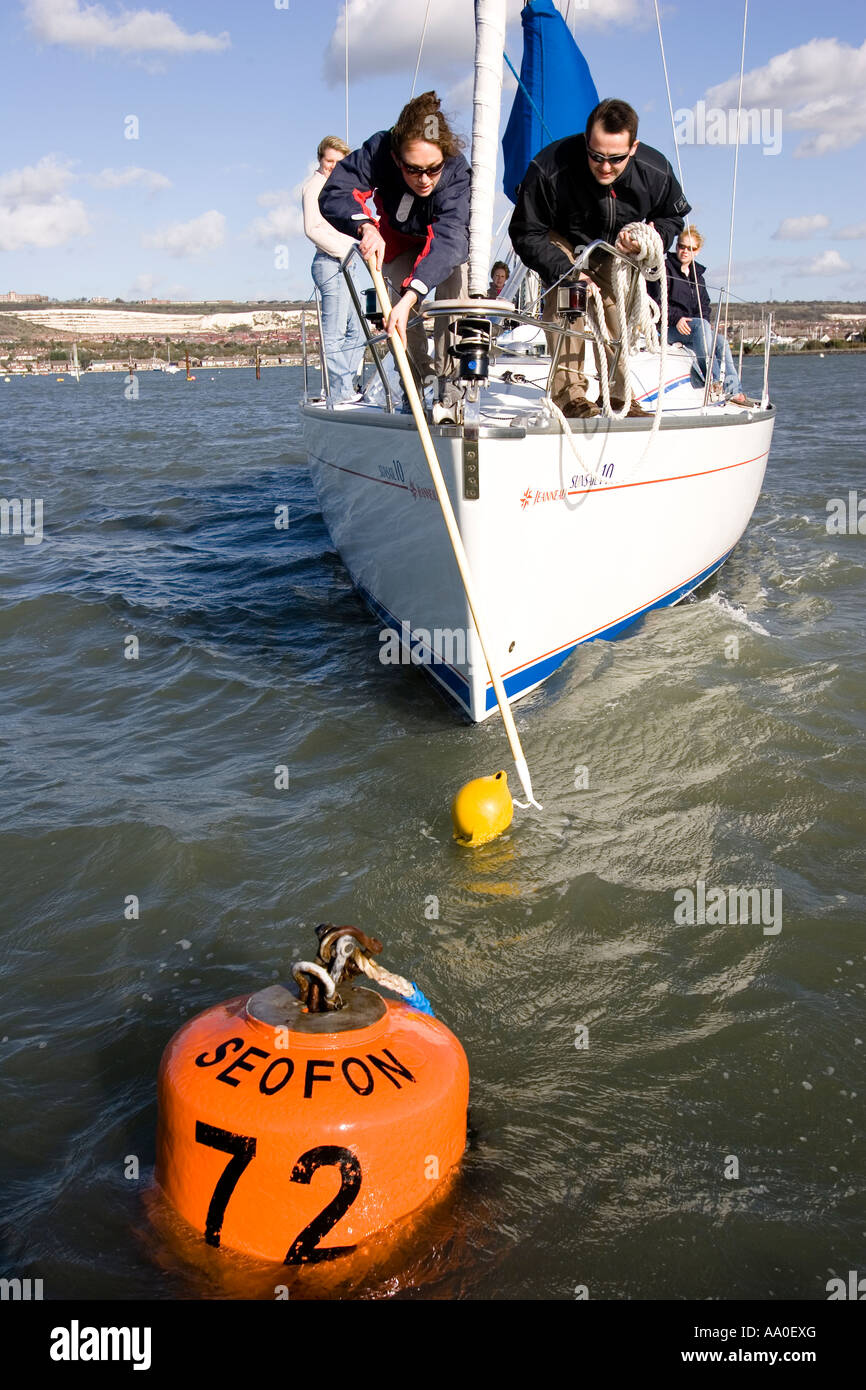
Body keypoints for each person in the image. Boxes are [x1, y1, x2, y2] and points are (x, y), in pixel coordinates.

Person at [509, 97, 691, 418]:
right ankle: (570, 397)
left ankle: (620, 397)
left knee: (615, 314)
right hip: (562, 241)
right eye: (596, 156)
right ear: (586, 141)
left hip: (615, 250)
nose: (605, 166)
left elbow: (672, 218)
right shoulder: (551, 168)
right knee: (571, 301)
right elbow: (526, 231)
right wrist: (566, 271)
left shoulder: (655, 171)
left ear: (633, 148)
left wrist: (649, 239)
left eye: (615, 158)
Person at [319, 91, 470, 405]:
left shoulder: (456, 172)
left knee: (453, 300)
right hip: (396, 242)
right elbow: (336, 191)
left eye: (433, 168)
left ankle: (449, 387)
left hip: (443, 248)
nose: (425, 180)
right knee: (397, 311)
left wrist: (414, 293)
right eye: (414, 170)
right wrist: (365, 226)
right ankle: (415, 382)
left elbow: (449, 238)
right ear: (397, 159)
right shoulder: (379, 150)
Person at [656, 226, 755, 405]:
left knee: (721, 342)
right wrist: (676, 319)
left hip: (693, 327)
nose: (685, 251)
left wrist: (705, 323)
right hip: (667, 327)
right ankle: (713, 381)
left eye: (690, 248)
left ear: (697, 251)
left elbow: (704, 305)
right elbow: (657, 302)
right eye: (681, 246)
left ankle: (734, 389)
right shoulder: (664, 269)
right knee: (701, 327)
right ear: (676, 246)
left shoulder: (698, 275)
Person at [301, 136, 368, 403]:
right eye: (329, 161)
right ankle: (341, 390)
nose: (332, 166)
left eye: (338, 162)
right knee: (334, 335)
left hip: (348, 265)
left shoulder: (336, 186)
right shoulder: (313, 187)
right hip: (330, 263)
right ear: (320, 159)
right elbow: (311, 229)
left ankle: (345, 386)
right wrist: (345, 251)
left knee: (360, 330)